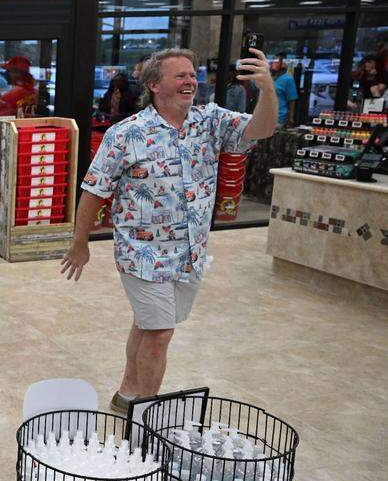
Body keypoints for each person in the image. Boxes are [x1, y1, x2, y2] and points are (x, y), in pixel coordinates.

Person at [60, 47, 278, 412]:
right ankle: (146, 416)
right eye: (180, 75)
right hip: (142, 254)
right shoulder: (126, 134)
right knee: (160, 334)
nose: (190, 81)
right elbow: (94, 189)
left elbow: (263, 128)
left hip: (190, 254)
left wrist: (267, 88)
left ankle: (127, 392)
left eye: (193, 75)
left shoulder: (210, 122)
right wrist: (80, 242)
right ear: (154, 85)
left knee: (148, 326)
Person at [270, 52, 298, 127]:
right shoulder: (269, 77)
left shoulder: (288, 79)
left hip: (279, 118)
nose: (274, 63)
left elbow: (292, 100)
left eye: (277, 62)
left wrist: (291, 118)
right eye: (273, 61)